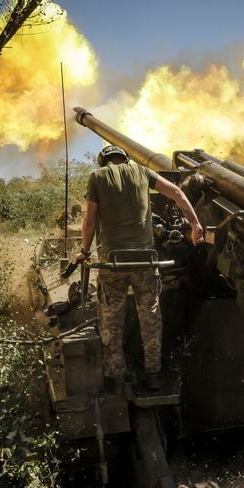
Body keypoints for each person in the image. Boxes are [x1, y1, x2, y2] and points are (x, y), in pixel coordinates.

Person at [75, 145, 204, 393]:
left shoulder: (97, 177)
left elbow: (90, 219)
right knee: (151, 318)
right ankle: (153, 375)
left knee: (111, 319)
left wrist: (84, 250)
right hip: (147, 261)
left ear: (104, 161)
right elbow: (177, 192)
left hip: (113, 261)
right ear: (125, 158)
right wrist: (195, 224)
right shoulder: (143, 173)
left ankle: (116, 376)